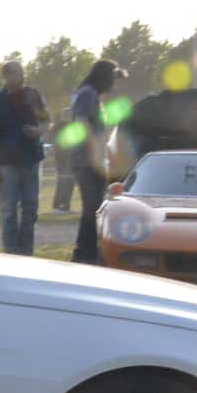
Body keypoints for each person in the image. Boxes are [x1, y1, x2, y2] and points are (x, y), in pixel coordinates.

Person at [0, 60, 49, 255]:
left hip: (31, 160)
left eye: (21, 72)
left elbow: (47, 123)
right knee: (8, 211)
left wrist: (38, 131)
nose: (20, 77)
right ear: (5, 77)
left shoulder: (33, 95)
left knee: (31, 208)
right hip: (7, 164)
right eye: (15, 73)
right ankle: (11, 252)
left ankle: (26, 252)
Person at [67, 59, 127, 263]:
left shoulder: (90, 95)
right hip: (88, 161)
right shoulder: (87, 95)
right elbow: (82, 124)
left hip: (91, 159)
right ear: (104, 77)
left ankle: (86, 251)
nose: (114, 84)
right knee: (93, 208)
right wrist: (96, 154)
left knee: (93, 207)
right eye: (113, 79)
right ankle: (85, 253)